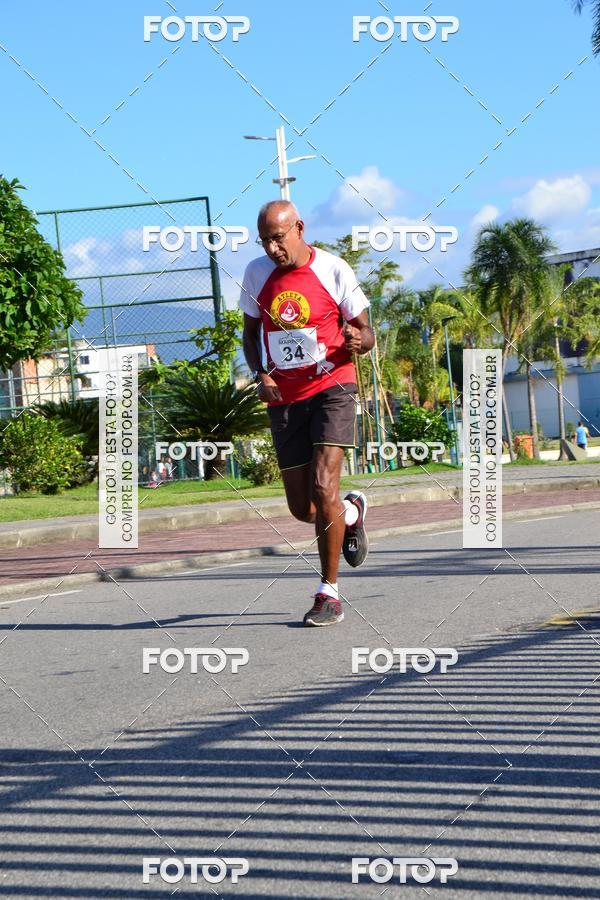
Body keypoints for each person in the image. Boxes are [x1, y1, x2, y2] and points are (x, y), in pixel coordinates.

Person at [240, 200, 375, 627]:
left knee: (322, 483)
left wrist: (360, 340)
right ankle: (350, 513)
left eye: (277, 238)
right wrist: (260, 372)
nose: (272, 249)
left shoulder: (335, 270)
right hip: (284, 396)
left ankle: (328, 593)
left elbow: (367, 330)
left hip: (334, 385)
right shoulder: (255, 274)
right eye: (264, 241)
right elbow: (249, 334)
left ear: (299, 227)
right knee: (304, 508)